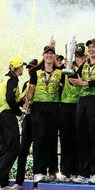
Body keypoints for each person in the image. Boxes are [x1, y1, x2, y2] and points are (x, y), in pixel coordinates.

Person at [69, 38, 95, 184]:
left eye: (94, 47)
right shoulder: (84, 64)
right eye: (89, 47)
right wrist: (69, 73)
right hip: (82, 102)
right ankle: (83, 172)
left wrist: (83, 83)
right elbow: (73, 79)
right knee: (82, 137)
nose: (91, 49)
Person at [0, 57, 26, 190]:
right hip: (7, 115)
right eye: (22, 67)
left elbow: (10, 99)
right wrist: (19, 114)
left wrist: (21, 102)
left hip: (0, 115)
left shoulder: (5, 78)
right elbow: (10, 100)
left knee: (6, 149)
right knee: (14, 148)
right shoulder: (13, 79)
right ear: (17, 68)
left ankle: (3, 183)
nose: (23, 69)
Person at [28, 44, 63, 182]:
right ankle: (39, 171)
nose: (49, 56)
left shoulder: (60, 72)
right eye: (46, 53)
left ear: (54, 56)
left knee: (52, 139)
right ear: (43, 56)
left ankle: (53, 171)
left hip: (54, 108)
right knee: (39, 139)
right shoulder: (35, 72)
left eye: (51, 53)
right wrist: (27, 105)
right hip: (38, 108)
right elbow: (30, 90)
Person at [57, 44, 84, 182]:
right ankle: (65, 171)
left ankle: (78, 171)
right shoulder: (65, 70)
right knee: (66, 139)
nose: (78, 59)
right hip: (65, 107)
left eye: (81, 57)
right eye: (76, 56)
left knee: (79, 140)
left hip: (79, 107)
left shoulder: (86, 71)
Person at [13, 57, 39, 190]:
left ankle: (37, 182)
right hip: (28, 118)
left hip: (39, 119)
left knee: (38, 151)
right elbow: (22, 101)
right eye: (29, 67)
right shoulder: (26, 84)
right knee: (23, 150)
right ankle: (19, 181)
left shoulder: (42, 81)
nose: (30, 70)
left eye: (33, 67)